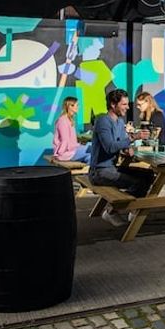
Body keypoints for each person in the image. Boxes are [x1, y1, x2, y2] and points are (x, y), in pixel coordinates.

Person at [90, 89, 153, 227]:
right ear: (113, 104)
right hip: (99, 171)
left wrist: (127, 148)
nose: (128, 107)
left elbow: (121, 143)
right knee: (138, 182)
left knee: (148, 175)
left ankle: (133, 209)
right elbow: (110, 147)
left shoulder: (119, 122)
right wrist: (133, 137)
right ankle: (112, 211)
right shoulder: (103, 121)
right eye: (124, 104)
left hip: (112, 167)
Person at [52, 96, 90, 163]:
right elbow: (65, 140)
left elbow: (70, 142)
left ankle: (89, 170)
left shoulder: (69, 120)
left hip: (72, 151)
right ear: (70, 106)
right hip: (66, 153)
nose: (78, 107)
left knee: (91, 151)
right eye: (76, 105)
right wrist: (59, 154)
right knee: (92, 150)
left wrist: (79, 145)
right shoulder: (63, 121)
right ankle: (90, 170)